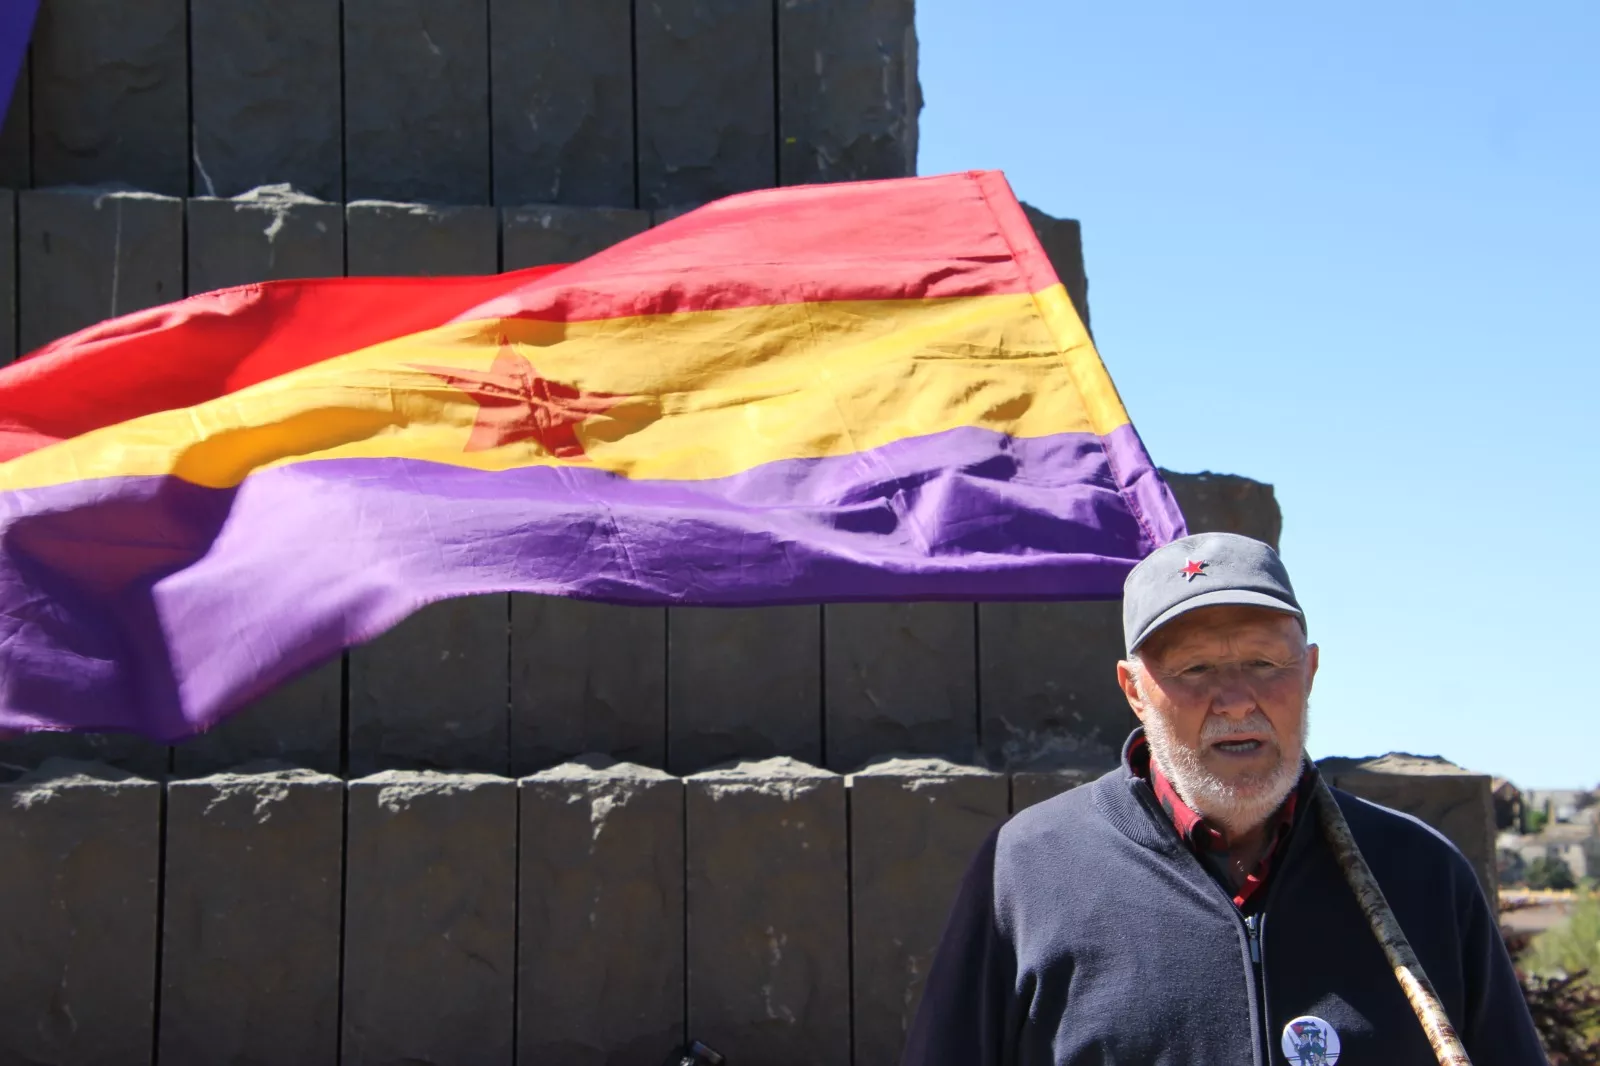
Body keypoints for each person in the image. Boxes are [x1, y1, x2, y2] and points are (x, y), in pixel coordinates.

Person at [902, 531, 1544, 1065]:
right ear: (1133, 689)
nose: (1237, 700)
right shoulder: (1028, 872)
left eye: (1266, 664)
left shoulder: (1421, 875)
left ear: (1311, 671)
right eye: (1195, 670)